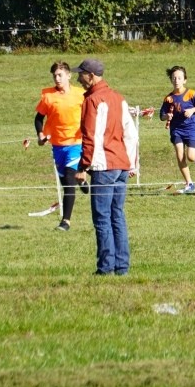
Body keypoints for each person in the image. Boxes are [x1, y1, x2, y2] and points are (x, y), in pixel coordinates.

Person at [74, 58, 138, 276]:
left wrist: (83, 165)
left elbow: (91, 136)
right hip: (121, 164)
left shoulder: (93, 100)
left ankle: (105, 268)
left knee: (102, 218)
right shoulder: (118, 98)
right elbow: (131, 134)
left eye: (81, 74)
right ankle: (122, 267)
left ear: (91, 76)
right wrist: (130, 163)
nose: (78, 78)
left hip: (103, 166)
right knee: (117, 215)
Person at [34, 61, 85, 231]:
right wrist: (40, 135)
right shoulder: (48, 96)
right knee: (65, 182)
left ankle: (66, 221)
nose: (57, 78)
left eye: (60, 75)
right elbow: (38, 119)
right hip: (57, 146)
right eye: (54, 75)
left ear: (69, 76)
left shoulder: (81, 94)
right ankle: (82, 178)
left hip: (76, 143)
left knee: (69, 182)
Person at [161, 66, 195, 194]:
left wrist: (192, 110)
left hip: (192, 128)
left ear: (185, 80)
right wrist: (167, 116)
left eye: (179, 78)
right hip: (176, 130)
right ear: (171, 80)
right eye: (174, 78)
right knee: (179, 155)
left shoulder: (191, 93)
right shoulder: (168, 98)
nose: (176, 80)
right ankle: (189, 184)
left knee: (191, 157)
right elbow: (162, 115)